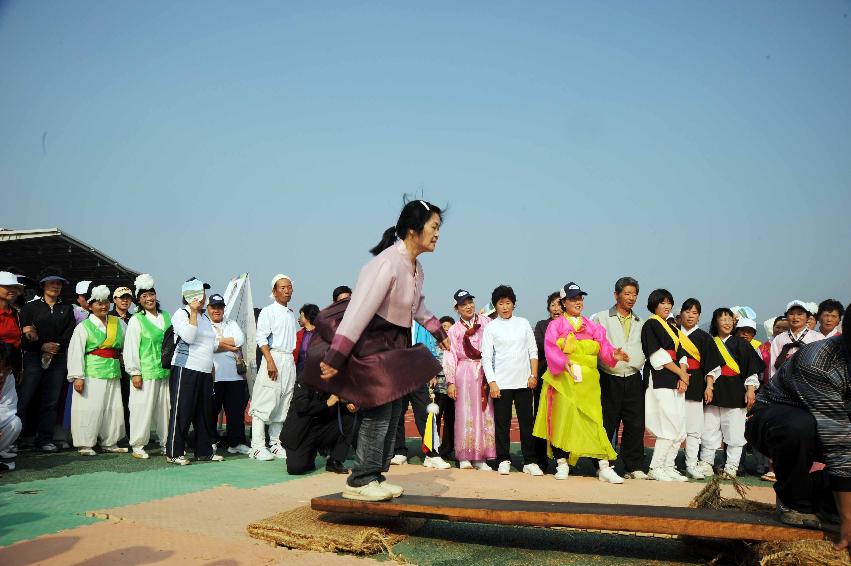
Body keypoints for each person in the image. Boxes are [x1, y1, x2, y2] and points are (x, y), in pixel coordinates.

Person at [316, 198, 449, 502]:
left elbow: (417, 306)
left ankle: (374, 475)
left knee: (391, 411)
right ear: (414, 229)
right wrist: (336, 357)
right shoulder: (386, 263)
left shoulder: (416, 268)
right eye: (434, 227)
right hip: (373, 343)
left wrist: (437, 331)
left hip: (396, 344)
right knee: (377, 411)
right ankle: (360, 479)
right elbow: (358, 311)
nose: (438, 234)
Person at [745, 309, 851, 540]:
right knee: (800, 427)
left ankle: (824, 500)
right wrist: (848, 520)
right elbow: (839, 443)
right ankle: (793, 501)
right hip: (774, 418)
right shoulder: (820, 361)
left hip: (831, 424)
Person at [533, 282, 629, 483]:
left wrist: (613, 354)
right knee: (562, 422)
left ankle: (603, 467)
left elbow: (604, 346)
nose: (578, 302)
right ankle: (562, 463)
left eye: (580, 298)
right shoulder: (556, 325)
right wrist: (564, 362)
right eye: (573, 298)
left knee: (593, 423)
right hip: (563, 382)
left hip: (588, 383)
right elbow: (551, 348)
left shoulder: (592, 325)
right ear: (564, 302)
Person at [590, 277, 647, 479]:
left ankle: (634, 466)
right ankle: (603, 464)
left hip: (632, 376)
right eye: (627, 293)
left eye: (634, 294)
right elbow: (594, 346)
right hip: (608, 377)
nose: (631, 298)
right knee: (606, 422)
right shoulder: (601, 318)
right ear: (616, 295)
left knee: (635, 423)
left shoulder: (641, 322)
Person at [481, 285, 540, 476]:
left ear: (514, 304)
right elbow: (486, 357)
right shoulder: (491, 327)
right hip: (502, 384)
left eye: (508, 303)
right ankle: (503, 459)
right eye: (500, 303)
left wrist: (533, 375)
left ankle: (529, 461)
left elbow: (533, 350)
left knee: (526, 423)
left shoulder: (523, 323)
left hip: (524, 382)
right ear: (495, 306)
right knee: (502, 423)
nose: (505, 307)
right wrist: (492, 382)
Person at [699, 308, 764, 478]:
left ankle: (731, 466)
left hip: (736, 392)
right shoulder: (710, 342)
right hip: (714, 391)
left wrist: (750, 390)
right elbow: (707, 368)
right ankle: (706, 462)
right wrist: (708, 386)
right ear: (715, 322)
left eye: (729, 319)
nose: (727, 322)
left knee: (734, 431)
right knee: (709, 428)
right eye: (723, 319)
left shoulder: (741, 343)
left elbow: (751, 370)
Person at [18, 267, 76, 452]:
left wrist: (55, 347)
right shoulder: (29, 308)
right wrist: (41, 345)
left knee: (50, 402)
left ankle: (44, 439)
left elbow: (70, 333)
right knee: (25, 398)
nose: (56, 286)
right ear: (43, 285)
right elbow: (24, 335)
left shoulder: (66, 308)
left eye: (59, 283)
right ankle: (16, 438)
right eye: (52, 282)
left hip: (58, 359)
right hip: (34, 358)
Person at [166, 277, 222, 465]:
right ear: (190, 295)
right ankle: (174, 452)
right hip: (185, 369)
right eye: (201, 293)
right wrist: (192, 311)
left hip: (204, 372)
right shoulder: (180, 314)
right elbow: (189, 337)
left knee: (203, 413)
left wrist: (230, 346)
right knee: (182, 411)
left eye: (204, 293)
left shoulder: (205, 318)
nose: (204, 297)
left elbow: (212, 344)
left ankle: (203, 451)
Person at [67, 285, 128, 455]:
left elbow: (128, 344)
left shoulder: (118, 323)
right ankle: (85, 444)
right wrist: (78, 376)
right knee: (89, 408)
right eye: (98, 303)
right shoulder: (84, 326)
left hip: (113, 371)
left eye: (105, 303)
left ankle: (110, 442)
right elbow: (76, 351)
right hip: (91, 372)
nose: (102, 306)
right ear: (91, 305)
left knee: (113, 408)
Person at [640, 289, 690, 482]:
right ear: (654, 305)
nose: (667, 306)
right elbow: (656, 355)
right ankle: (656, 466)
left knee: (679, 425)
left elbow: (682, 354)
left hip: (676, 379)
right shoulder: (651, 324)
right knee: (667, 423)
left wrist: (683, 375)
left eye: (669, 302)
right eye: (662, 302)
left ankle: (669, 465)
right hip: (660, 378)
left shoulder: (673, 328)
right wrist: (681, 373)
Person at [443, 290, 495, 470]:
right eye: (463, 304)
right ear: (457, 308)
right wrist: (450, 382)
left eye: (470, 302)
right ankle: (464, 455)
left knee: (484, 411)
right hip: (464, 372)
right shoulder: (454, 330)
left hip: (484, 370)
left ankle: (481, 457)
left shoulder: (487, 323)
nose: (468, 306)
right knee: (464, 413)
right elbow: (450, 356)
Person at [390, 322, 453, 470]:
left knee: (425, 412)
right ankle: (399, 451)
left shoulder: (423, 324)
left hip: (418, 372)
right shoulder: (393, 320)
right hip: (396, 373)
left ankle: (432, 454)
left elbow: (430, 348)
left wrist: (430, 370)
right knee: (397, 414)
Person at [251, 274, 299, 461]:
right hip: (274, 357)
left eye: (289, 287)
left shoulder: (290, 313)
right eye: (282, 287)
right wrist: (270, 361)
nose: (287, 290)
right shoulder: (268, 311)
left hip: (288, 361)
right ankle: (257, 447)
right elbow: (261, 338)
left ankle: (275, 443)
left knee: (283, 404)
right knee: (264, 402)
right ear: (274, 291)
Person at [123, 274, 171, 459]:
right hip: (146, 371)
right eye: (144, 296)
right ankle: (138, 445)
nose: (149, 299)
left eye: (151, 294)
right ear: (139, 300)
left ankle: (166, 442)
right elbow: (131, 348)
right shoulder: (137, 320)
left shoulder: (166, 316)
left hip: (165, 371)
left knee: (165, 409)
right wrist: (135, 372)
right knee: (141, 408)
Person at [676, 298, 722, 480]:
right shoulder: (672, 333)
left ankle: (691, 464)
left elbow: (711, 366)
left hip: (695, 387)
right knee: (673, 428)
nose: (690, 316)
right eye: (687, 311)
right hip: (673, 384)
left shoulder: (704, 338)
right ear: (681, 314)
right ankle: (668, 464)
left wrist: (709, 386)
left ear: (699, 316)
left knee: (694, 430)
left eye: (694, 313)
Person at [281, 379, 355, 475]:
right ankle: (311, 453)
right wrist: (327, 403)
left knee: (351, 418)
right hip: (302, 431)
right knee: (295, 468)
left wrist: (349, 404)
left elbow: (344, 399)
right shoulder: (305, 378)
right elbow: (302, 407)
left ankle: (334, 460)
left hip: (323, 428)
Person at [208, 293, 250, 456]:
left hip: (235, 376)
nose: (217, 310)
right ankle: (210, 442)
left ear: (224, 309)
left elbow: (239, 340)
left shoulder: (231, 323)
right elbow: (209, 345)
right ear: (208, 308)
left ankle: (236, 443)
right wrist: (228, 345)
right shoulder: (204, 324)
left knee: (236, 412)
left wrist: (219, 342)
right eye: (214, 307)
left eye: (220, 307)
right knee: (211, 411)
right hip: (213, 375)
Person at [532, 291, 562, 469]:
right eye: (552, 304)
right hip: (545, 377)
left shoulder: (571, 325)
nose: (556, 308)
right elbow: (541, 347)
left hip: (565, 381)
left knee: (563, 419)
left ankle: (562, 459)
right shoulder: (542, 325)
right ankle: (540, 459)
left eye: (559, 304)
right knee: (541, 418)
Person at [768, 300, 825, 380]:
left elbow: (822, 366)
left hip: (809, 385)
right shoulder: (779, 339)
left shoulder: (818, 338)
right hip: (784, 385)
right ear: (787, 317)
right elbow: (773, 367)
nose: (795, 317)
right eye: (791, 314)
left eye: (800, 314)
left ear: (807, 317)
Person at [111, 286, 134, 442]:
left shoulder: (135, 318)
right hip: (110, 365)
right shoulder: (107, 316)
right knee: (113, 401)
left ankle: (129, 433)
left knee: (129, 400)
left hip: (130, 366)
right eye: (122, 297)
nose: (125, 300)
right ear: (114, 300)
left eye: (128, 298)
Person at [435, 315, 456, 462]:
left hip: (452, 388)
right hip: (437, 388)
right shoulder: (434, 345)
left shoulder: (455, 345)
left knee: (450, 419)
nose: (446, 328)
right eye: (443, 326)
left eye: (448, 326)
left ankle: (447, 449)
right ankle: (433, 448)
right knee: (435, 418)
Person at [0, 343, 22, 472]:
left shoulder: (9, 377)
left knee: (15, 423)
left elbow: (9, 408)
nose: (3, 374)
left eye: (7, 370)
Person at [295, 304, 319, 376]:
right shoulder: (297, 335)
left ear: (308, 317)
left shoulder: (322, 334)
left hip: (317, 376)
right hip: (300, 376)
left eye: (301, 316)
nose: (298, 319)